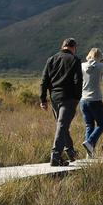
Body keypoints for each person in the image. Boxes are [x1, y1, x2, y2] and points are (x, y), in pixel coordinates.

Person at [39, 38, 83, 166]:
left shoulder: (51, 59)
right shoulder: (75, 60)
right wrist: (77, 98)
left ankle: (70, 152)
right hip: (69, 98)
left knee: (62, 125)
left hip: (54, 98)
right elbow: (78, 81)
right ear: (73, 47)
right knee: (62, 125)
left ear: (62, 46)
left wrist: (43, 99)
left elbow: (44, 81)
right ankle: (56, 155)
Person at [80, 47, 103, 158]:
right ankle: (90, 142)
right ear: (99, 57)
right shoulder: (101, 66)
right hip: (95, 99)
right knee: (102, 124)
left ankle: (89, 154)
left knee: (89, 125)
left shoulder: (81, 65)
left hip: (83, 100)